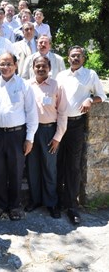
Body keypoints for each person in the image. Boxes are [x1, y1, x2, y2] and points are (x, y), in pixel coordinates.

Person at [0, 52, 38, 221]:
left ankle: (14, 206)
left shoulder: (24, 85)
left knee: (16, 172)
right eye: (1, 64)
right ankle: (0, 205)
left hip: (17, 135)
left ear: (15, 65)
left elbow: (31, 113)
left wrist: (30, 138)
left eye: (8, 64)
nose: (4, 67)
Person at [56, 45, 107, 225]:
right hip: (58, 123)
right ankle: (57, 202)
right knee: (57, 163)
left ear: (83, 59)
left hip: (76, 125)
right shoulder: (61, 76)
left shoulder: (90, 75)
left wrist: (90, 99)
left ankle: (72, 206)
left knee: (73, 166)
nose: (75, 58)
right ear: (68, 58)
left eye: (79, 56)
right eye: (72, 56)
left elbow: (102, 96)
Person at [25, 56, 67, 219]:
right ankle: (35, 200)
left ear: (49, 68)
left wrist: (58, 137)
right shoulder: (27, 85)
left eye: (44, 66)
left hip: (49, 131)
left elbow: (63, 113)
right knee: (32, 167)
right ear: (33, 68)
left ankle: (51, 203)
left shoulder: (56, 85)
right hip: (31, 132)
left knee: (50, 168)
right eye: (38, 66)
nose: (41, 69)